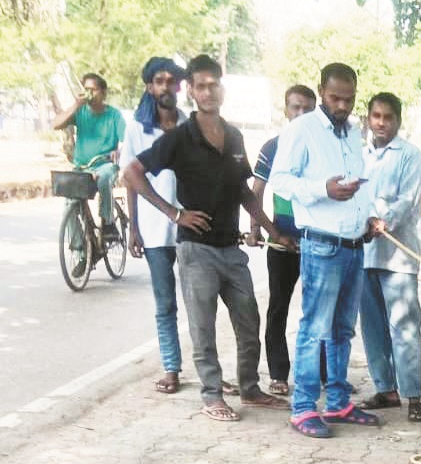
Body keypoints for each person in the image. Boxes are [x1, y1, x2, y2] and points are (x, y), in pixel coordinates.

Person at [122, 54, 290, 421]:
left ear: (222, 89)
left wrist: (271, 229)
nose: (208, 91)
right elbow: (132, 172)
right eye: (201, 86)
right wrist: (174, 213)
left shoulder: (234, 136)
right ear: (192, 92)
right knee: (203, 327)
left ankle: (250, 388)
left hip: (231, 248)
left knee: (249, 321)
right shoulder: (180, 138)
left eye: (214, 85)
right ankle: (212, 395)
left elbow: (243, 190)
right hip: (196, 249)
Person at [269, 62, 379, 438]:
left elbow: (360, 184)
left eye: (349, 99)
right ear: (321, 92)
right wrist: (322, 190)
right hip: (321, 244)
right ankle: (303, 408)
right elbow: (280, 181)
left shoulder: (353, 132)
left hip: (354, 245)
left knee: (342, 330)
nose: (342, 106)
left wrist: (370, 217)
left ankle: (337, 403)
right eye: (335, 98)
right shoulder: (301, 129)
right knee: (314, 328)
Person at [358, 92, 421, 422]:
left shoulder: (411, 156)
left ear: (398, 120)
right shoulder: (359, 155)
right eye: (376, 116)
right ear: (368, 118)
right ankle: (385, 389)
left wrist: (382, 221)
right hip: (363, 255)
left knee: (404, 327)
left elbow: (407, 200)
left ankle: (413, 396)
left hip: (398, 256)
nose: (382, 123)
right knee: (372, 327)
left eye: (388, 117)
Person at [120, 57, 187, 396]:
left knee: (200, 302)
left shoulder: (190, 124)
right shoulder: (137, 128)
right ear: (149, 87)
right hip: (154, 228)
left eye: (171, 80)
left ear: (179, 86)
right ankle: (171, 368)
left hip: (190, 227)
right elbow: (130, 180)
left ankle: (210, 370)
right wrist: (133, 228)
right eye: (159, 81)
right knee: (165, 303)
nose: (165, 86)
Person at [251, 84, 316, 396]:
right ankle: (278, 374)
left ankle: (322, 372)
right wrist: (256, 229)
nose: (301, 113)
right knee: (278, 306)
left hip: (316, 241)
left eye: (307, 108)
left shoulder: (322, 148)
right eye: (295, 107)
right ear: (286, 110)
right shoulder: (272, 147)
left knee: (318, 310)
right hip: (281, 241)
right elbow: (256, 192)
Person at [54, 72, 125, 246]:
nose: (89, 94)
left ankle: (108, 223)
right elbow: (56, 124)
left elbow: (126, 141)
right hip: (81, 167)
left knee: (104, 179)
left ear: (103, 93)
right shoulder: (80, 111)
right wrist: (75, 105)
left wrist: (119, 151)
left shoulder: (114, 115)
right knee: (69, 203)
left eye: (93, 90)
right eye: (86, 89)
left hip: (104, 165)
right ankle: (79, 248)